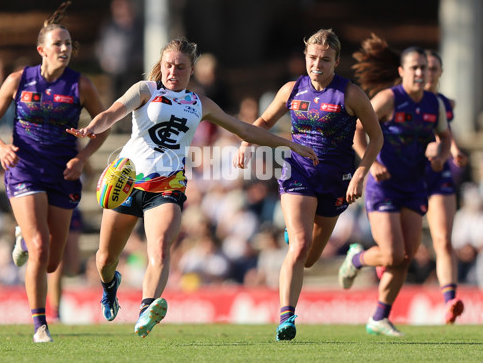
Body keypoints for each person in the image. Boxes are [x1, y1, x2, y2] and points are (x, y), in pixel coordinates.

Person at [68, 37, 318, 338]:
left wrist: (288, 143)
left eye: (181, 67)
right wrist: (91, 128)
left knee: (160, 247)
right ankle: (110, 286)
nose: (173, 71)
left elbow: (244, 129)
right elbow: (111, 114)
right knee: (105, 259)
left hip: (167, 185)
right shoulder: (145, 91)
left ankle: (147, 308)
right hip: (128, 181)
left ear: (192, 70)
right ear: (161, 66)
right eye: (169, 65)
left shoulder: (200, 104)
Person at [234, 28, 384, 341]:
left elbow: (376, 137)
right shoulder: (292, 90)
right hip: (297, 171)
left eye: (325, 59)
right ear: (305, 57)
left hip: (336, 180)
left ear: (336, 61)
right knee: (299, 246)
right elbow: (262, 122)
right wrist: (247, 142)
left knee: (311, 258)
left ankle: (299, 233)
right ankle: (286, 318)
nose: (318, 64)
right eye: (313, 58)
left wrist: (360, 174)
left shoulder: (350, 94)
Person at [0, 1, 109, 343]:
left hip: (62, 174)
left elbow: (104, 126)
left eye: (68, 44)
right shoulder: (18, 79)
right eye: (58, 44)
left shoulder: (80, 86)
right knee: (38, 247)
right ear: (42, 50)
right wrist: (1, 147)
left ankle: (24, 235)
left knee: (53, 262)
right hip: (24, 169)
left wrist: (82, 158)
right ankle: (40, 325)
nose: (65, 49)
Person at [339, 35, 452, 337]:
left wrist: (441, 155)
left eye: (425, 69)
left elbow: (445, 138)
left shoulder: (434, 104)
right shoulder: (389, 98)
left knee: (406, 256)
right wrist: (372, 164)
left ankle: (379, 317)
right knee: (391, 254)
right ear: (402, 71)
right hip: (384, 185)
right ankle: (357, 258)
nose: (420, 73)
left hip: (414, 186)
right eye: (414, 68)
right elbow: (358, 132)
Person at [422, 49, 468, 323]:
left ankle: (450, 300)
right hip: (408, 176)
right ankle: (359, 260)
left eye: (433, 69)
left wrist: (455, 152)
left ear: (439, 73)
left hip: (438, 176)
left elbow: (447, 133)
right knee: (400, 252)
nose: (427, 74)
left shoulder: (442, 104)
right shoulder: (398, 100)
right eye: (423, 68)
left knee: (443, 239)